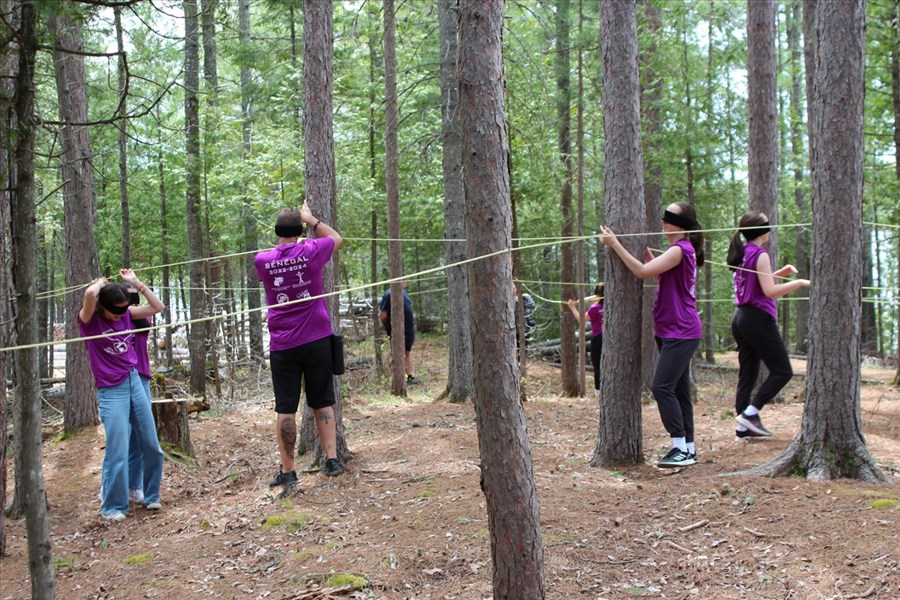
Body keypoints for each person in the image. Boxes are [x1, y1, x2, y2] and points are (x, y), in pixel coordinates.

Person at [601, 202, 704, 468]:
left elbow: (642, 273)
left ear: (679, 225)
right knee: (679, 391)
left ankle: (680, 447)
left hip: (681, 331)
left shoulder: (680, 249)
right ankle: (688, 449)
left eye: (668, 218)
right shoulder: (678, 251)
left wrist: (615, 244)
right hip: (673, 329)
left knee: (662, 387)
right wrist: (648, 256)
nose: (662, 221)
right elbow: (661, 275)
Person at [255, 200, 345, 488]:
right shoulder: (312, 250)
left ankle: (289, 470)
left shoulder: (263, 259)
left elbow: (270, 267)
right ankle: (331, 460)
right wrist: (312, 220)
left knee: (285, 408)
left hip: (283, 344)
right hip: (317, 340)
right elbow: (336, 239)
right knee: (322, 400)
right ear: (299, 229)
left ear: (277, 231)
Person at [79, 269, 166, 520]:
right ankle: (114, 506)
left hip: (133, 381)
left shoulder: (126, 314)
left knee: (151, 443)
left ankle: (151, 496)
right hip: (110, 389)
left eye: (123, 310)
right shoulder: (89, 322)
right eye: (115, 311)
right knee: (117, 449)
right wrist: (98, 283)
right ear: (102, 307)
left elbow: (157, 307)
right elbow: (88, 294)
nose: (120, 315)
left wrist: (136, 284)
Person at [726, 211, 810, 440]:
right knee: (783, 371)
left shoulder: (744, 252)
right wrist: (800, 283)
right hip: (757, 319)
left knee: (748, 374)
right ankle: (750, 414)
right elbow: (769, 292)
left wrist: (778, 274)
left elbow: (757, 283)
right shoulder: (760, 254)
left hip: (741, 317)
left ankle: (742, 429)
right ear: (763, 231)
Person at [123, 282, 156, 505]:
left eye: (135, 298)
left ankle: (135, 487)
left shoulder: (143, 319)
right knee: (121, 437)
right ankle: (115, 487)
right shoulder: (115, 320)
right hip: (120, 381)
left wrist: (137, 284)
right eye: (129, 298)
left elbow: (155, 306)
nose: (134, 302)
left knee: (141, 437)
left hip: (142, 377)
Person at [567, 283, 605, 397]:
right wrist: (579, 301)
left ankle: (598, 390)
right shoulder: (612, 305)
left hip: (598, 338)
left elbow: (581, 319)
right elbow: (592, 298)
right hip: (609, 339)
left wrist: (573, 307)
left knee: (597, 364)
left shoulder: (594, 308)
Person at [379, 281, 415, 382]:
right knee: (397, 352)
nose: (405, 282)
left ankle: (409, 376)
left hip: (408, 329)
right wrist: (388, 326)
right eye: (403, 279)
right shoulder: (388, 294)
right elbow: (383, 314)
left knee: (407, 352)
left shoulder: (404, 293)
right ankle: (397, 377)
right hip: (396, 329)